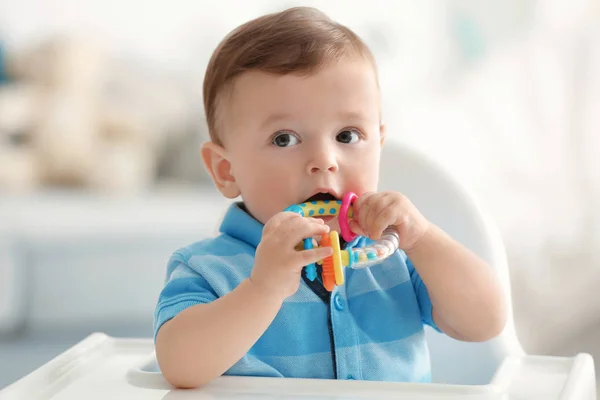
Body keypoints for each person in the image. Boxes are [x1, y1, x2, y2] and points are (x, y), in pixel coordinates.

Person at [153, 6, 506, 389]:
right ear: (226, 170)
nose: (324, 160)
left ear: (379, 145)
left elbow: (485, 322)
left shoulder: (392, 258)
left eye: (347, 135)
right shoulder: (207, 269)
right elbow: (179, 366)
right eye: (284, 138)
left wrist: (422, 239)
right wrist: (263, 289)